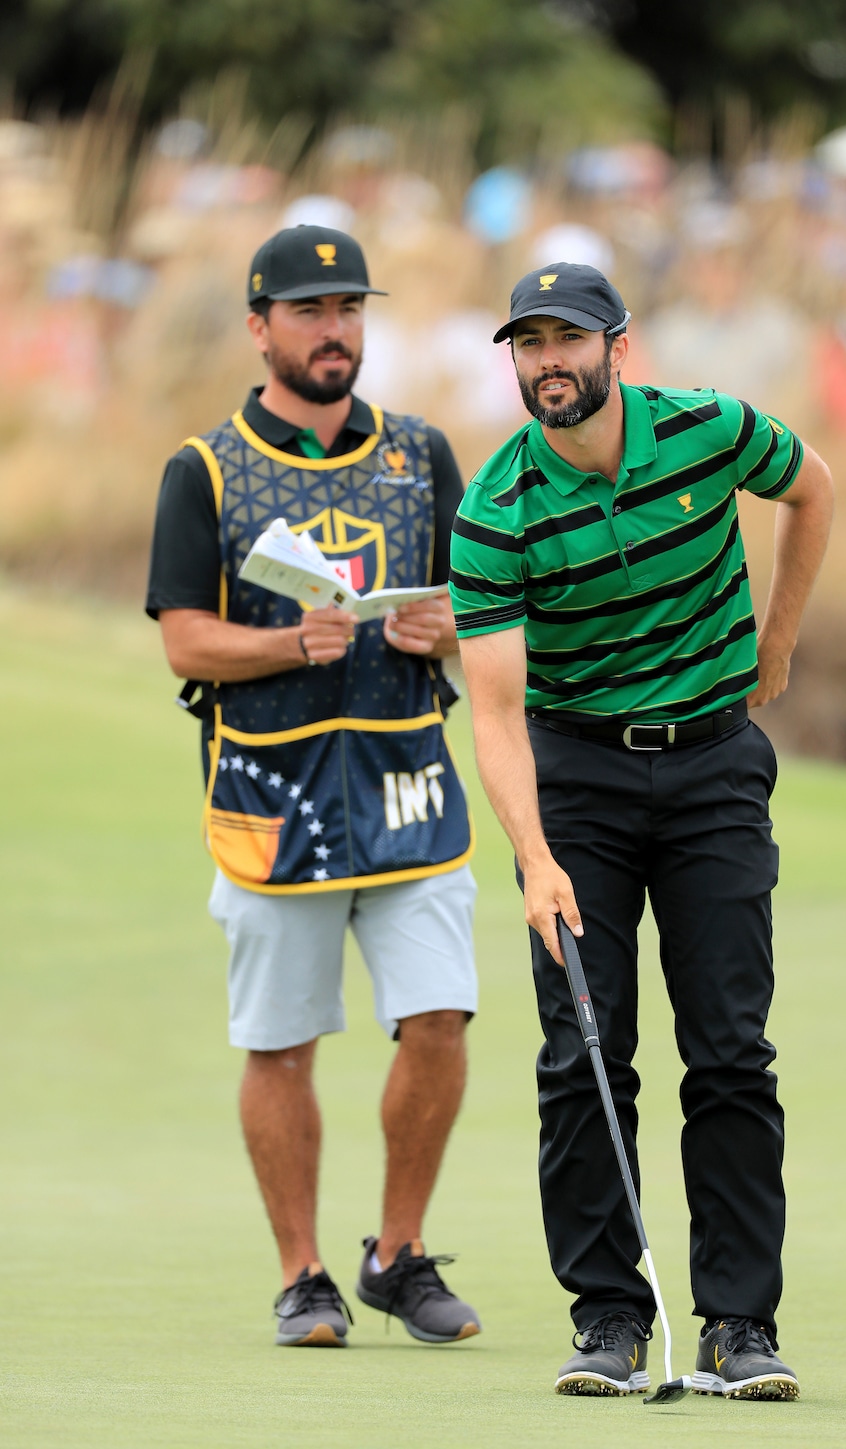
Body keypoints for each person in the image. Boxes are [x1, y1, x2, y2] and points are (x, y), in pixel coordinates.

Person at [450, 262, 834, 1399]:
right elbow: (498, 713)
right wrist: (534, 858)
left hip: (714, 762)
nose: (547, 364)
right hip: (574, 779)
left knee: (728, 1048)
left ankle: (739, 1326)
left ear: (622, 347)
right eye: (527, 346)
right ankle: (610, 1315)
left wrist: (780, 640)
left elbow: (816, 488)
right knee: (583, 1052)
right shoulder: (497, 510)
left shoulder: (711, 432)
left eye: (568, 341)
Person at [146, 225, 481, 1349]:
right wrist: (288, 647)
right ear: (260, 328)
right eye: (309, 311)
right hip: (269, 791)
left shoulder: (421, 454)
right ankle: (304, 1276)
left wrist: (446, 632)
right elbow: (186, 642)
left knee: (439, 1018)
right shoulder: (202, 468)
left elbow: (476, 617)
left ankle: (398, 1252)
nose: (334, 330)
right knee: (282, 1040)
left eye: (348, 309)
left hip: (405, 779)